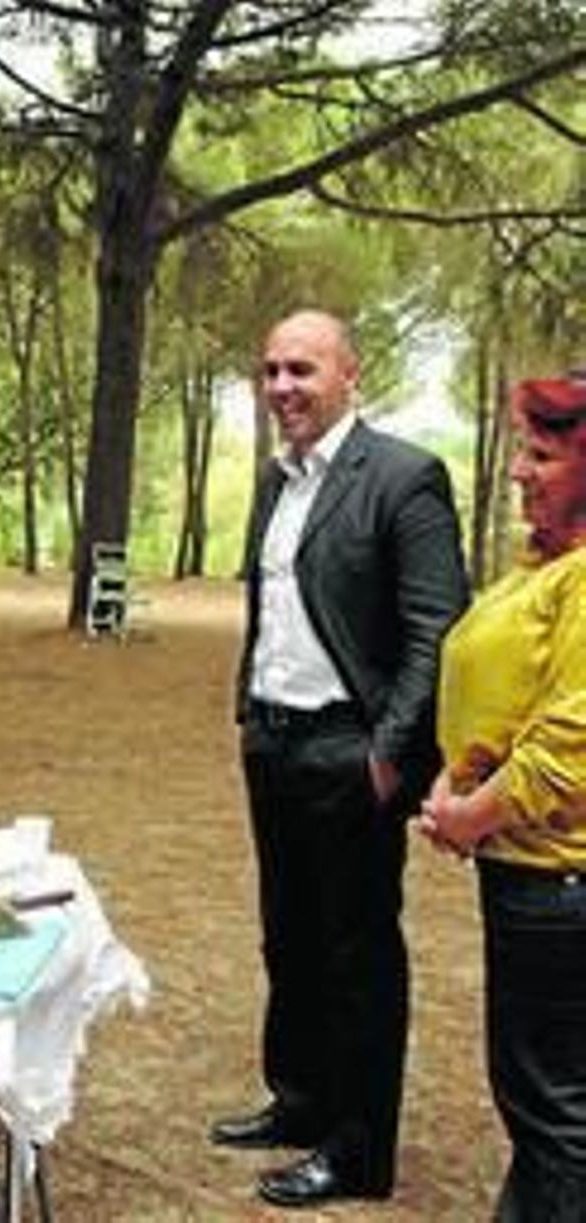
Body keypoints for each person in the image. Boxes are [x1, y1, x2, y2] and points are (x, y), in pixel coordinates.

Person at [212, 309, 469, 1207]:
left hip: (349, 751)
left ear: (350, 374)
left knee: (356, 952)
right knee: (289, 933)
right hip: (274, 744)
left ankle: (357, 1150)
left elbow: (438, 628)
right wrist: (250, 712)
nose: (282, 387)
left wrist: (389, 753)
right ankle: (301, 1099)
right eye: (271, 369)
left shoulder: (404, 477)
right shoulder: (276, 482)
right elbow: (272, 611)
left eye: (302, 370)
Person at [416, 373, 586, 1219]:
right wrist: (460, 775)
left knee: (553, 1111)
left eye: (543, 456)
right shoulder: (545, 564)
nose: (520, 472)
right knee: (545, 1104)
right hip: (526, 870)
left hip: (559, 882)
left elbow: (571, 744)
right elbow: (504, 699)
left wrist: (467, 814)